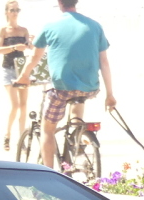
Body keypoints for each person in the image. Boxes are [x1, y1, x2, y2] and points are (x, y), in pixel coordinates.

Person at [14, 0, 116, 170]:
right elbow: (104, 62)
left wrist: (24, 76)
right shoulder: (94, 26)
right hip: (90, 88)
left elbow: (34, 57)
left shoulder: (50, 26)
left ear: (59, 3)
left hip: (61, 88)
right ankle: (75, 141)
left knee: (48, 129)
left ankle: (48, 172)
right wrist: (110, 95)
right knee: (78, 101)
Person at [0, 2, 31, 152]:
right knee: (15, 105)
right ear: (7, 12)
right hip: (9, 69)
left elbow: (30, 46)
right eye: (12, 10)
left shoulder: (24, 30)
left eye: (17, 10)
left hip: (22, 69)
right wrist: (13, 48)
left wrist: (31, 43)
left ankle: (21, 138)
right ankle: (8, 134)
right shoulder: (4, 31)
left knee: (24, 105)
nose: (15, 13)